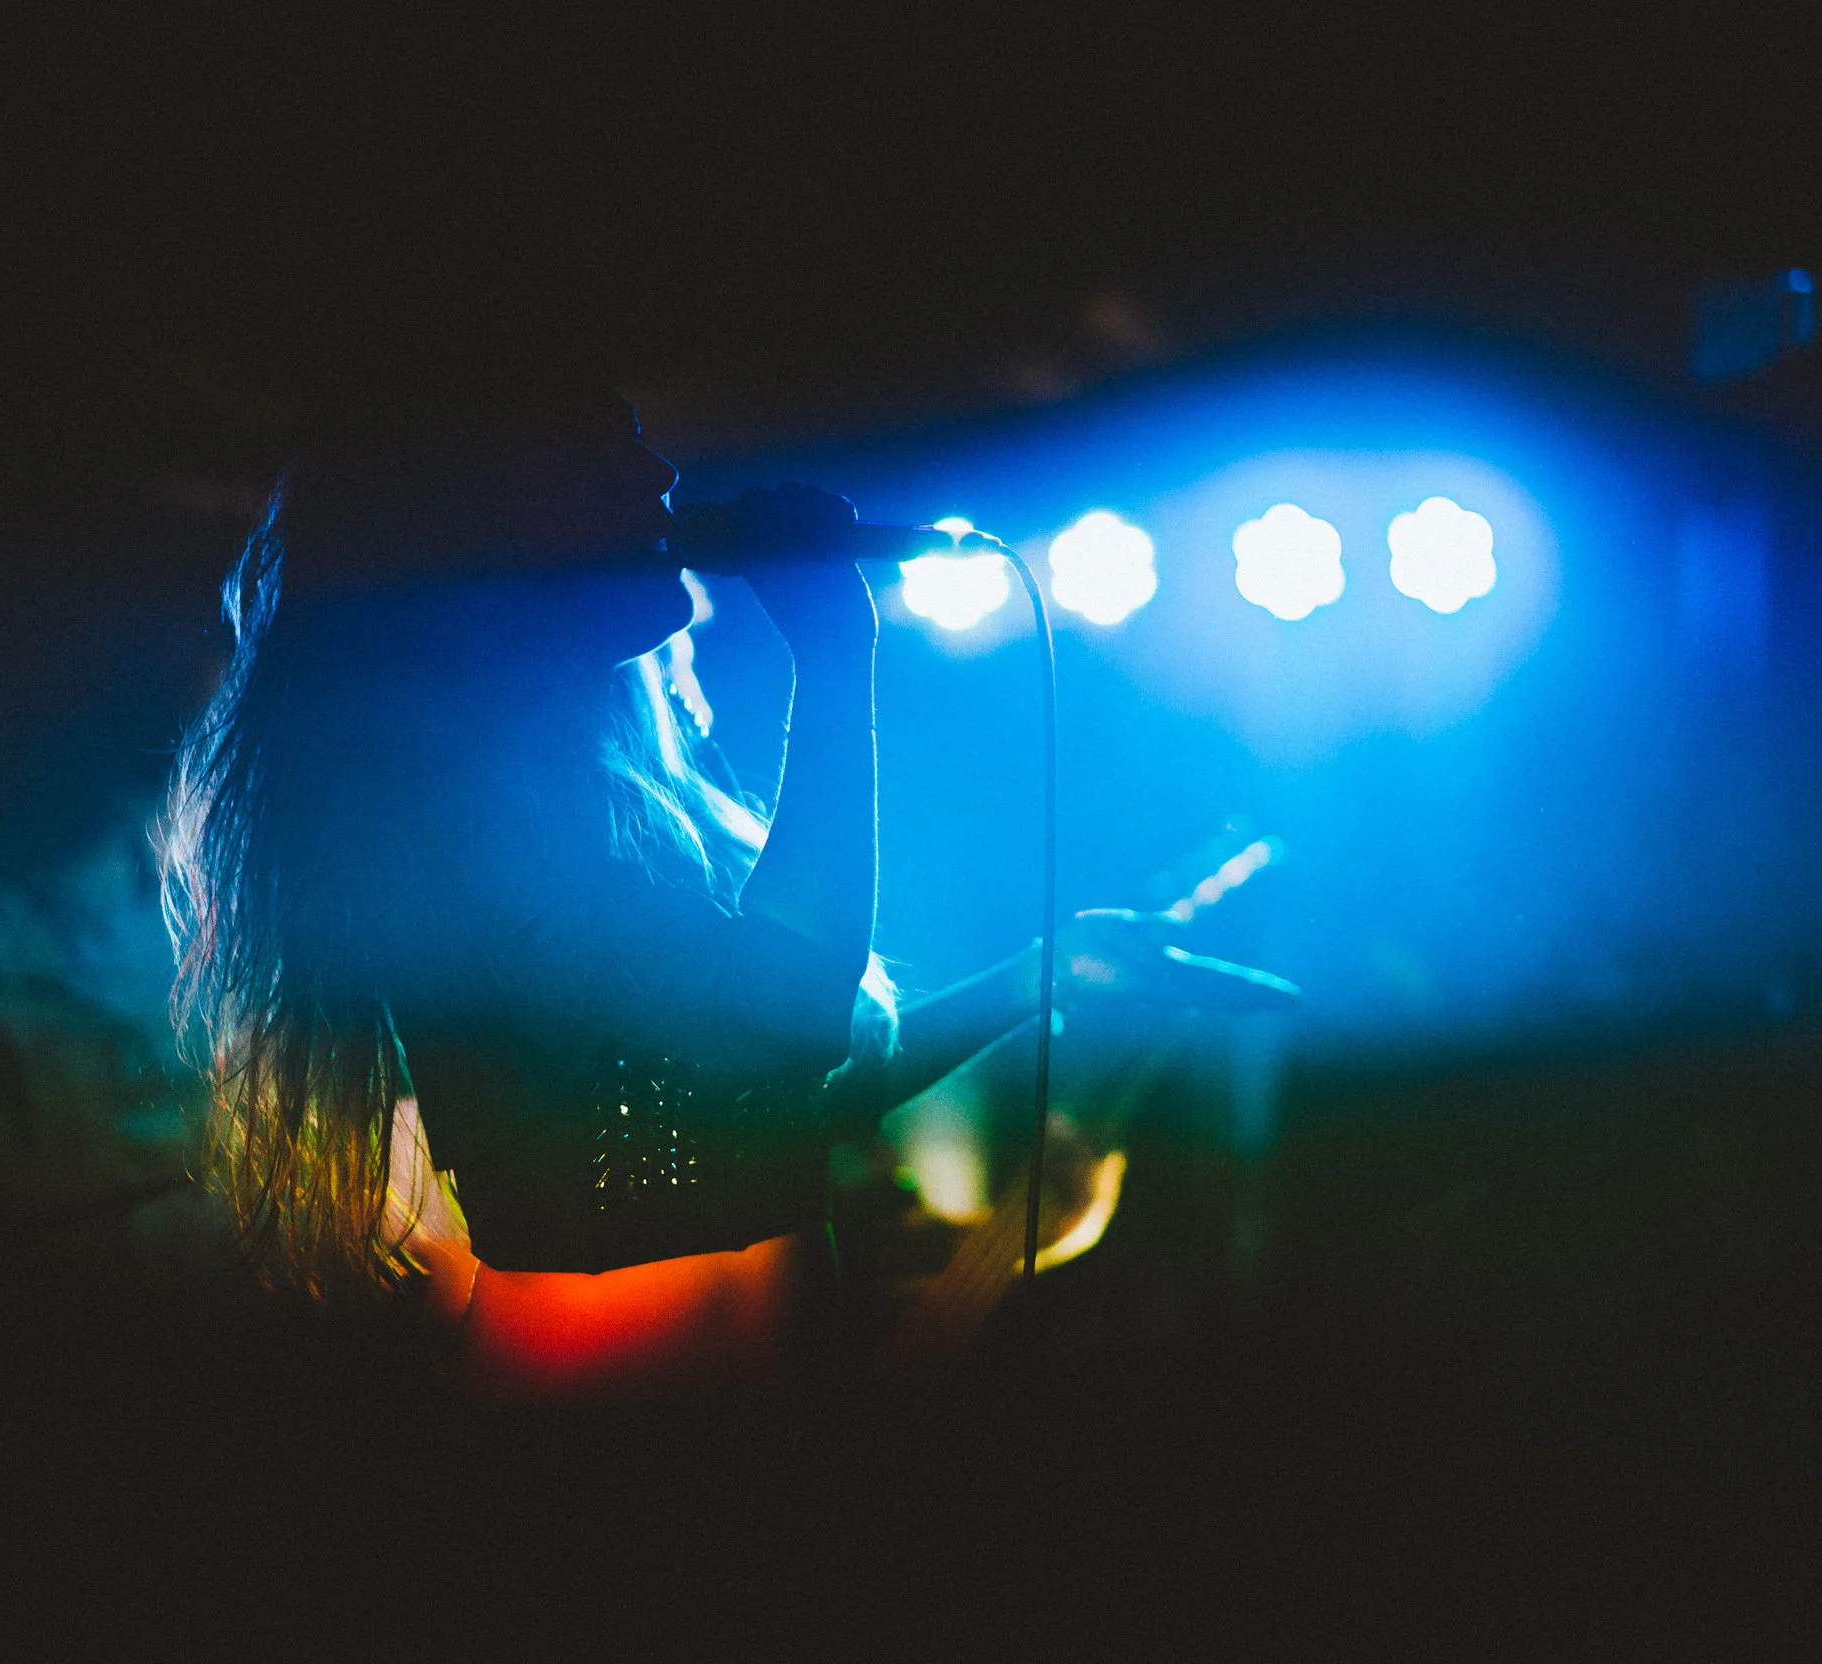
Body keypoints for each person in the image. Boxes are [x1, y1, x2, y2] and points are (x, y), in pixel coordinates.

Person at [157, 398, 1143, 1399]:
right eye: (599, 443)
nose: (659, 471)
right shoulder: (443, 798)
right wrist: (837, 659)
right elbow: (794, 1012)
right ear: (478, 513)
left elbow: (749, 1109)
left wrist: (1040, 975)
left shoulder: (590, 789)